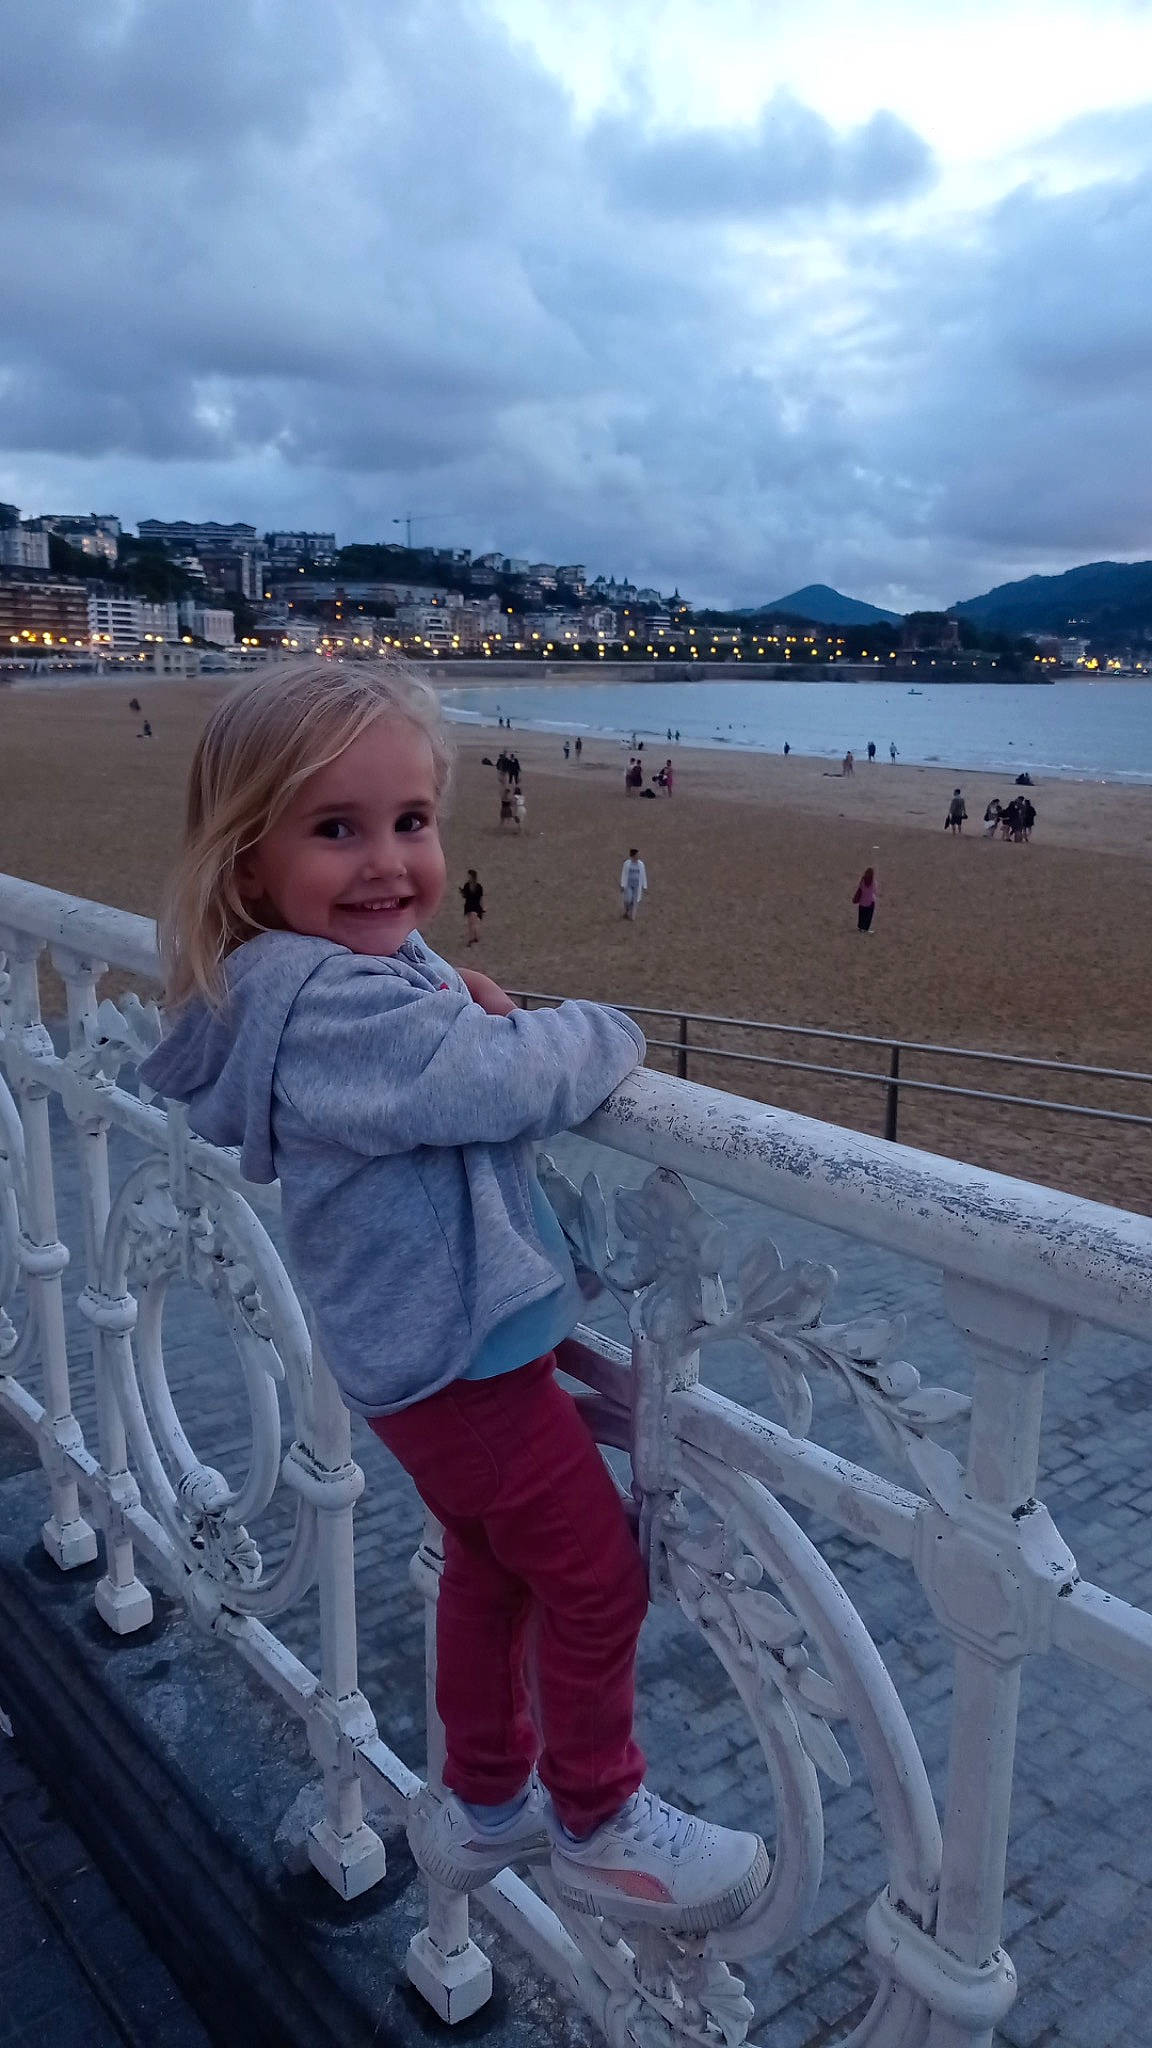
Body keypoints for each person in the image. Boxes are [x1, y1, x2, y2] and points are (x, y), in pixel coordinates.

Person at [138, 662, 769, 1933]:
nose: (387, 862)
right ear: (250, 864)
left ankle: (485, 1795)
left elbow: (430, 1037)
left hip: (434, 1359)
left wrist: (453, 995)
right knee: (597, 1578)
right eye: (338, 828)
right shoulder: (328, 1003)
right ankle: (598, 1817)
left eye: (412, 821)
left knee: (489, 1563)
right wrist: (605, 1028)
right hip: (461, 1369)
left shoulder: (312, 972)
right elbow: (497, 1081)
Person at [620, 848, 648, 921]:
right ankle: (627, 910)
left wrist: (644, 886)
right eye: (637, 855)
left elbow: (643, 875)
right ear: (633, 856)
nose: (638, 856)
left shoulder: (641, 864)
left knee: (634, 900)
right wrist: (622, 885)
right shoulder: (626, 863)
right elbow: (623, 874)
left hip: (637, 886)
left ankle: (631, 915)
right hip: (628, 885)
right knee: (628, 899)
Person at [460, 869, 484, 944]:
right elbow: (465, 896)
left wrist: (482, 907)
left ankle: (473, 938)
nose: (468, 878)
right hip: (470, 906)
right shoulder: (469, 885)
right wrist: (462, 893)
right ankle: (475, 937)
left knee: (472, 923)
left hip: (474, 906)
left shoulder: (477, 886)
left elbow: (480, 898)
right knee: (471, 923)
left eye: (469, 876)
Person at [852, 866, 877, 933]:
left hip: (862, 902)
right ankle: (865, 929)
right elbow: (874, 891)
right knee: (868, 917)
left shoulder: (862, 880)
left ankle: (860, 928)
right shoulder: (873, 882)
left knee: (861, 915)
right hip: (870, 902)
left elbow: (860, 889)